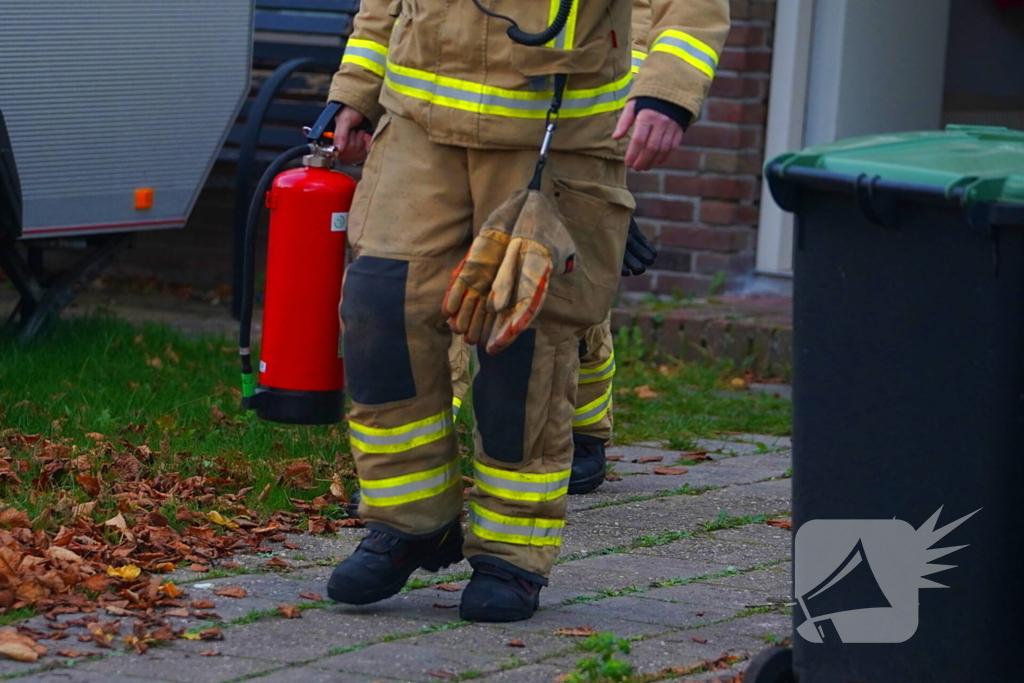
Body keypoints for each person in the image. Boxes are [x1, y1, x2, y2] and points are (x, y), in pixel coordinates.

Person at [326, 0, 729, 622]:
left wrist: (667, 92)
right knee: (380, 309)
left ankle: (511, 554)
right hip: (416, 130)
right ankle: (409, 523)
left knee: (524, 346)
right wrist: (356, 90)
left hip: (554, 138)